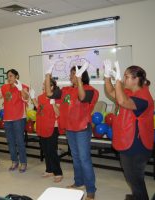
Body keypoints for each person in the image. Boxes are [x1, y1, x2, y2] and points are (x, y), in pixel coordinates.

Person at [45, 61, 99, 200]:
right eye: (71, 73)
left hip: (82, 129)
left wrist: (79, 79)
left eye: (73, 73)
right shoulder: (66, 90)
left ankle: (91, 190)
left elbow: (82, 97)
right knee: (76, 158)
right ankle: (79, 182)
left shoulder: (90, 90)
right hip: (70, 128)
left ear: (82, 75)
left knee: (84, 159)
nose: (70, 76)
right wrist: (47, 75)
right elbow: (49, 93)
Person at [104, 60, 154, 200]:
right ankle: (137, 197)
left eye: (127, 76)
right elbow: (111, 92)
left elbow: (122, 102)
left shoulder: (144, 98)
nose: (124, 79)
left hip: (137, 145)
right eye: (124, 76)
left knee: (135, 179)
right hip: (126, 140)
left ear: (136, 79)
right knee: (131, 177)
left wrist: (118, 80)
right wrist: (107, 76)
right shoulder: (127, 91)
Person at [0, 69, 29, 172]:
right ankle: (14, 161)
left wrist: (20, 88)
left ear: (16, 76)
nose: (9, 78)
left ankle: (23, 162)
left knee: (20, 141)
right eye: (8, 76)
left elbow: (26, 97)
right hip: (7, 119)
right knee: (10, 142)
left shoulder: (23, 86)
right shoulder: (5, 87)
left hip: (19, 118)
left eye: (11, 76)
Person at [29, 77, 63, 183]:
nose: (43, 86)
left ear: (51, 87)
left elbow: (58, 113)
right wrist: (33, 98)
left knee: (52, 150)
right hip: (42, 125)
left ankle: (58, 172)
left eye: (45, 84)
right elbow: (39, 109)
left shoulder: (57, 97)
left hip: (53, 126)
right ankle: (49, 170)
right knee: (45, 149)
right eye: (43, 84)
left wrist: (53, 103)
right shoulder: (41, 96)